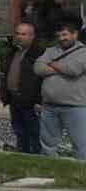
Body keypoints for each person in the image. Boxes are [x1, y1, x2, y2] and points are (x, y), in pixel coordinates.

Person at [36, 16, 86, 158]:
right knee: (48, 145)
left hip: (75, 107)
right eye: (59, 35)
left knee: (81, 145)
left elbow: (73, 70)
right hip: (50, 106)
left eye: (65, 34)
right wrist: (59, 67)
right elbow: (38, 68)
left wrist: (51, 64)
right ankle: (51, 173)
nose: (62, 38)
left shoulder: (83, 52)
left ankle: (81, 175)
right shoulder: (51, 50)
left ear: (75, 34)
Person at [1, 22, 45, 154]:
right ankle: (23, 155)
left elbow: (42, 79)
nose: (19, 37)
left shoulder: (39, 54)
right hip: (14, 100)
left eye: (23, 34)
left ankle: (37, 159)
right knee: (20, 132)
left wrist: (39, 100)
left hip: (31, 102)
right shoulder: (13, 52)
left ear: (32, 36)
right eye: (17, 33)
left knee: (34, 134)